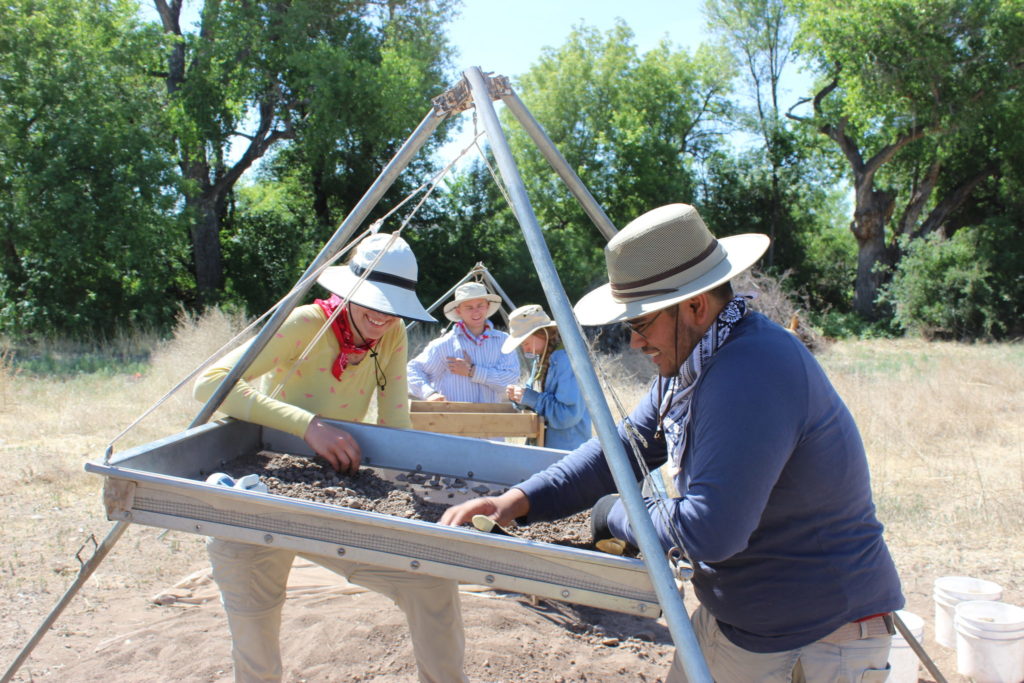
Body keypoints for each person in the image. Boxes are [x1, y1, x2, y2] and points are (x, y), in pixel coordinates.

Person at [441, 204, 904, 682]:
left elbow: (710, 531)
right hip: (743, 620)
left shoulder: (751, 371)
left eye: (640, 324)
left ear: (696, 306)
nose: (636, 344)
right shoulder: (696, 362)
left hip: (815, 637)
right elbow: (619, 452)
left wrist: (620, 513)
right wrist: (515, 501)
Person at [194, 233, 467, 683]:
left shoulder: (393, 333)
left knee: (431, 582)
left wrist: (418, 492)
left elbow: (396, 420)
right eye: (372, 304)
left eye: (391, 307)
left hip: (342, 490)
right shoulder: (305, 324)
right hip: (265, 487)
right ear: (347, 292)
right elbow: (210, 385)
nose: (381, 318)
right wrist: (308, 425)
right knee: (254, 632)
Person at [407, 281, 519, 404]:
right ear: (458, 311)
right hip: (452, 418)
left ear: (487, 306)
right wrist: (429, 393)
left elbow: (511, 381)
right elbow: (412, 370)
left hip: (491, 419)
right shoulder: (444, 345)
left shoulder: (503, 341)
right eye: (469, 307)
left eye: (480, 305)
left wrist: (472, 371)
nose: (476, 311)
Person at [502, 304, 591, 450]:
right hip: (551, 447)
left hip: (569, 450)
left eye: (526, 343)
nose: (525, 350)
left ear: (542, 333)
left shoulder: (566, 361)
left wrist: (530, 397)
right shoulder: (543, 358)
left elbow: (567, 415)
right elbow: (541, 401)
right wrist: (521, 398)